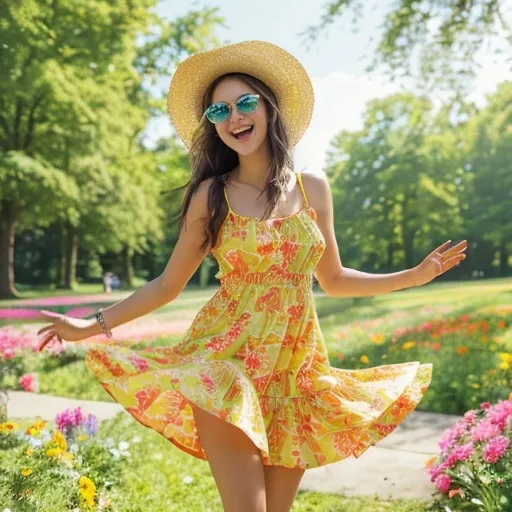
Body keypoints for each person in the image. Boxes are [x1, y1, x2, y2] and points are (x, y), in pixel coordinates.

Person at [37, 41, 467, 512]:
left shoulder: (313, 189)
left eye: (245, 102)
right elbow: (167, 285)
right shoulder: (211, 195)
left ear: (269, 107)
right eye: (219, 110)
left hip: (294, 375)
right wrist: (89, 325)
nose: (234, 117)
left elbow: (335, 279)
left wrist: (413, 275)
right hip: (226, 368)